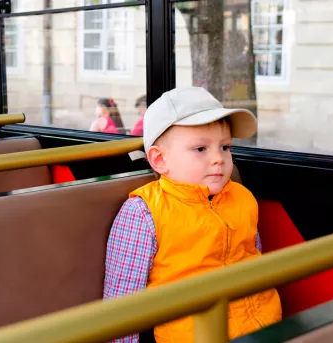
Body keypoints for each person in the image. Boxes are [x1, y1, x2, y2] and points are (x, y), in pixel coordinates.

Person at [104, 87, 282, 343]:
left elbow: (255, 263)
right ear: (159, 159)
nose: (218, 159)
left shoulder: (243, 198)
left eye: (225, 147)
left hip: (266, 326)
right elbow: (121, 305)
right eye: (200, 149)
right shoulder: (143, 213)